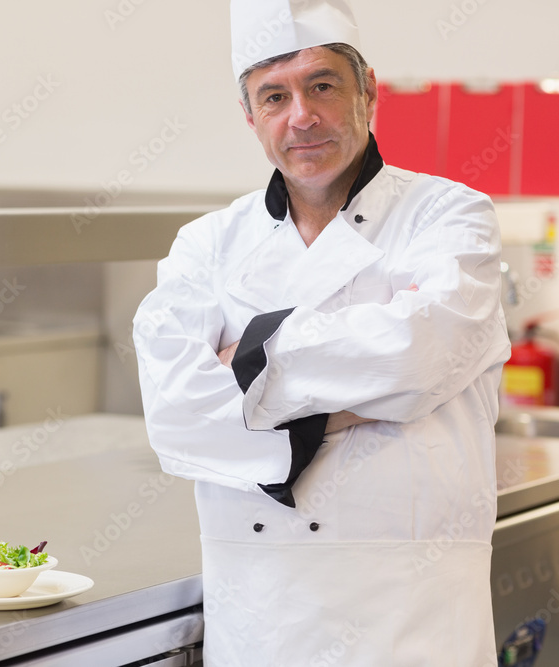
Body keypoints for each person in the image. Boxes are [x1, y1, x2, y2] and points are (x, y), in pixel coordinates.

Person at [133, 0, 510, 664]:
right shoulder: (207, 244)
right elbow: (173, 412)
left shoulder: (449, 215)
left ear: (369, 91)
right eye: (273, 96)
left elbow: (419, 352)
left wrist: (244, 361)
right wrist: (359, 399)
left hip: (414, 606)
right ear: (250, 117)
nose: (300, 116)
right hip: (260, 609)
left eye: (323, 85)